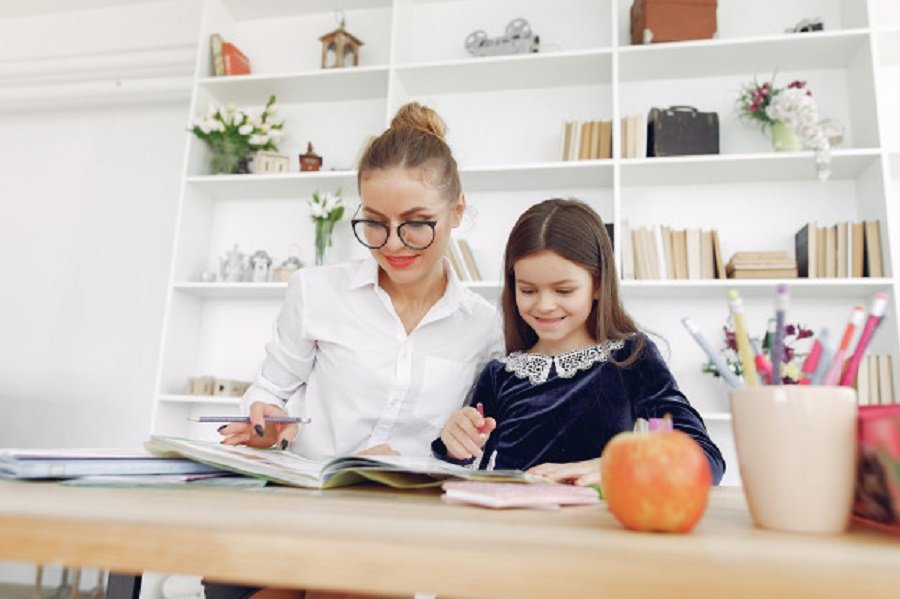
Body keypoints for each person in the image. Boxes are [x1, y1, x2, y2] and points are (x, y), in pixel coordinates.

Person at [204, 103, 503, 599]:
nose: (393, 244)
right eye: (375, 223)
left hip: (402, 523)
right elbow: (271, 390)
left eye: (416, 223)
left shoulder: (485, 327)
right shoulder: (316, 292)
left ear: (456, 213)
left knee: (346, 574)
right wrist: (267, 420)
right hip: (310, 501)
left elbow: (475, 449)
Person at [433, 198, 725, 486]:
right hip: (510, 526)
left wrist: (619, 465)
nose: (545, 305)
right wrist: (454, 444)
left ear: (597, 285)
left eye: (564, 290)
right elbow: (466, 463)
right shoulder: (500, 373)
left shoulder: (629, 358)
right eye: (528, 290)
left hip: (594, 527)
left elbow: (705, 459)